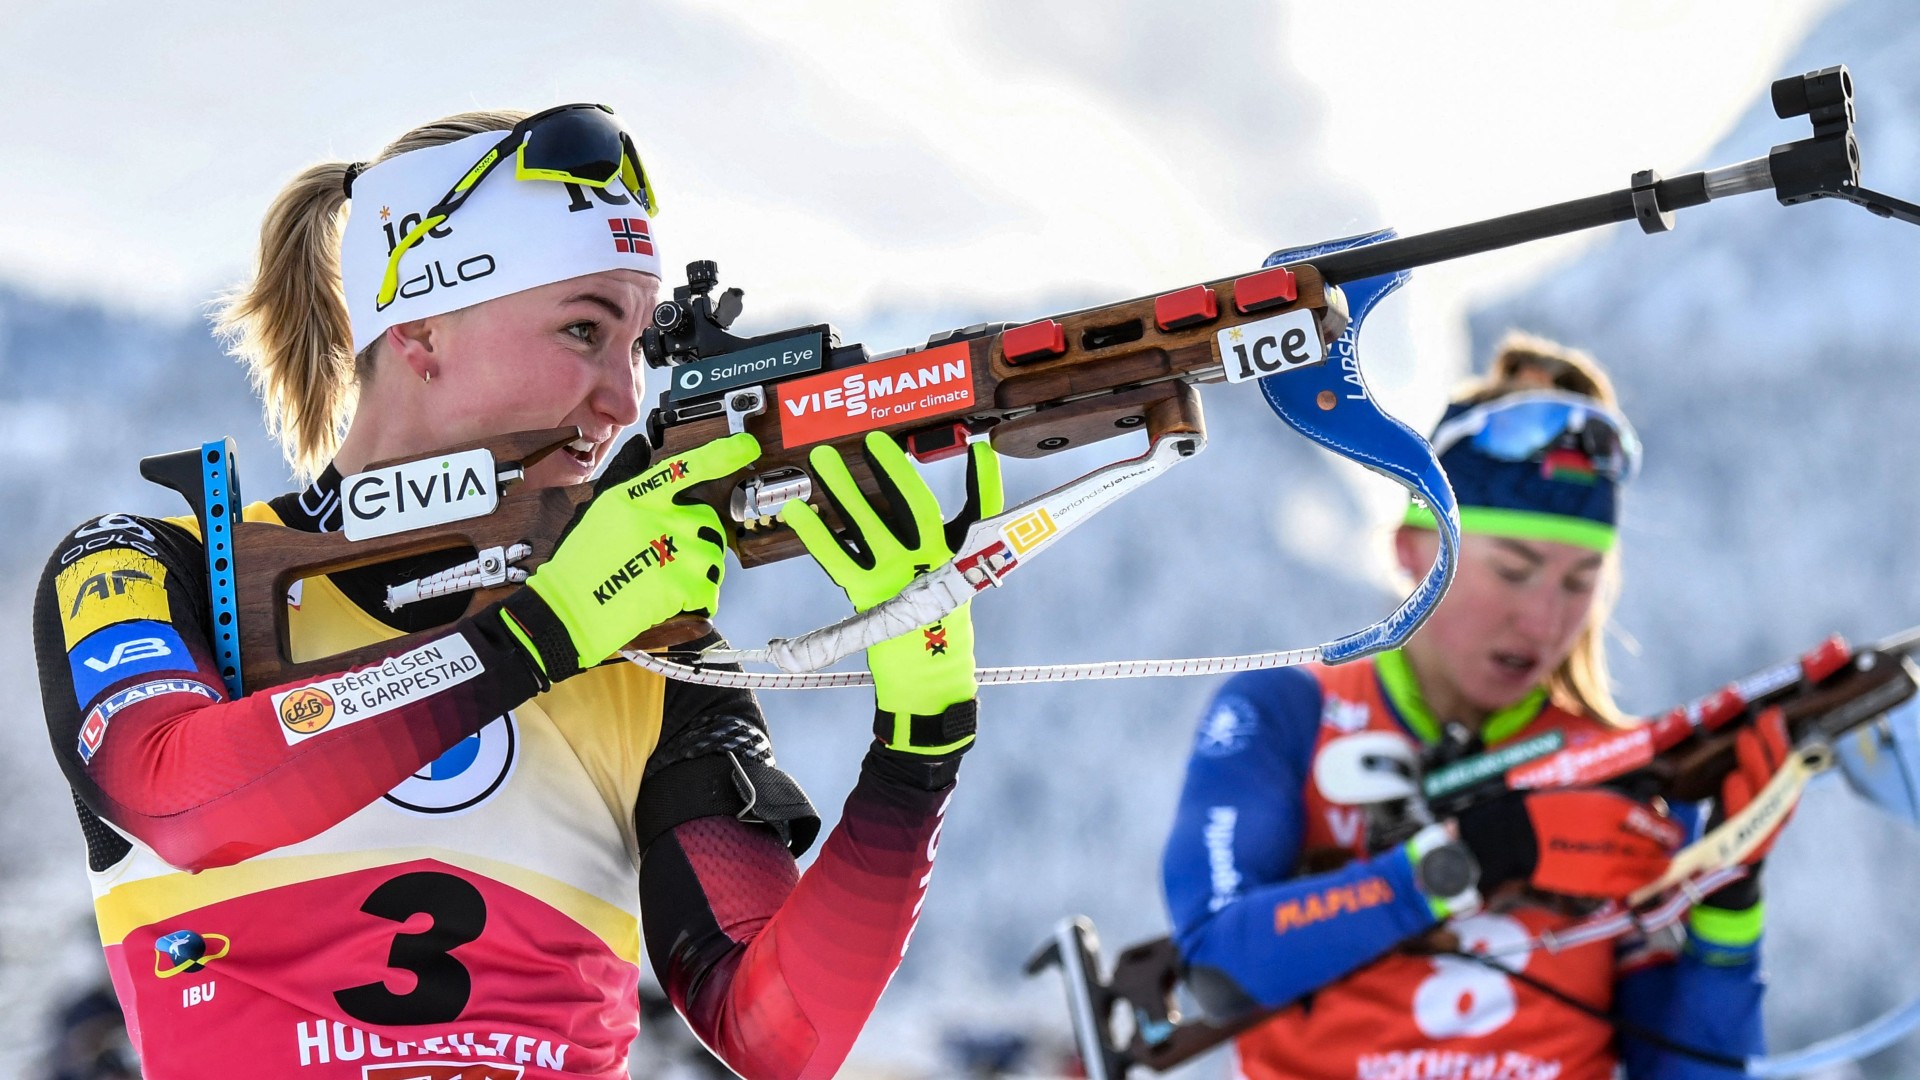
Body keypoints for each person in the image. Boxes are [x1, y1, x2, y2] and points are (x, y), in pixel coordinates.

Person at [32, 105, 997, 1080]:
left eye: (636, 346)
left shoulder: (647, 643)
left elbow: (779, 1034)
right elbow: (176, 795)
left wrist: (920, 744)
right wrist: (541, 635)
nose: (623, 400)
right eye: (583, 329)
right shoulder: (165, 566)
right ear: (420, 329)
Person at [1161, 333, 1789, 1080]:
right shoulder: (1286, 712)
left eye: (1579, 580)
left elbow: (1689, 1071)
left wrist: (1727, 905)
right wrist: (1473, 857)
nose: (1544, 621)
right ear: (1409, 551)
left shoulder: (1628, 772)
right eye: (1513, 570)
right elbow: (1223, 965)